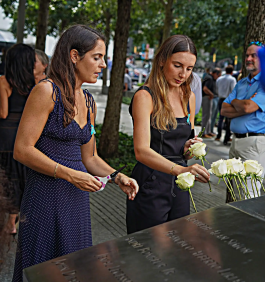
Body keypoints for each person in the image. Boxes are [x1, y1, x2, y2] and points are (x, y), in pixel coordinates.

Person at [12, 25, 139, 282]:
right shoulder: (46, 91)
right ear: (74, 56)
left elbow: (89, 158)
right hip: (45, 198)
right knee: (42, 270)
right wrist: (69, 175)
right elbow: (22, 150)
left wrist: (117, 177)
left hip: (76, 201)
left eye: (103, 57)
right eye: (97, 57)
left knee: (74, 269)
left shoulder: (89, 101)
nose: (103, 64)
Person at [126, 35, 210, 234]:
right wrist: (179, 170)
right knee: (147, 248)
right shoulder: (145, 96)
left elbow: (182, 150)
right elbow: (141, 151)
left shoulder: (188, 95)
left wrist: (190, 149)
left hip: (180, 184)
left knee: (177, 248)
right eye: (178, 65)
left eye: (189, 69)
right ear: (162, 60)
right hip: (151, 183)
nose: (183, 74)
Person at [221, 41, 265, 200]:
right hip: (236, 141)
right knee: (234, 192)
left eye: (254, 55)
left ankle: (249, 225)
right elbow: (224, 109)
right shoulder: (242, 83)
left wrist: (239, 103)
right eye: (247, 55)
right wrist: (244, 104)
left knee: (248, 193)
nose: (249, 58)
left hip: (255, 143)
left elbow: (246, 107)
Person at [0, 44, 35, 241]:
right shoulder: (33, 85)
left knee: (4, 178)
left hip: (3, 137)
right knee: (16, 179)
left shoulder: (4, 81)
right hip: (21, 137)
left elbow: (3, 112)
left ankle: (5, 219)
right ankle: (12, 222)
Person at [215, 65, 236, 145]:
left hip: (220, 99)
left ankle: (218, 135)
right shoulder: (232, 79)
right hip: (228, 100)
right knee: (228, 120)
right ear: (231, 71)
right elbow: (233, 90)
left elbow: (217, 89)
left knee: (220, 118)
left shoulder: (219, 79)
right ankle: (226, 137)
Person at [201, 68, 221, 138]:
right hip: (206, 97)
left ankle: (208, 131)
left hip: (208, 98)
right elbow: (205, 88)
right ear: (215, 74)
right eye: (218, 76)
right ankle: (203, 132)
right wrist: (211, 94)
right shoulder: (209, 78)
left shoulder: (210, 78)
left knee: (209, 116)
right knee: (206, 116)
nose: (217, 78)